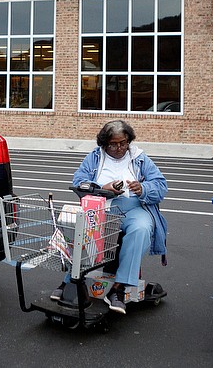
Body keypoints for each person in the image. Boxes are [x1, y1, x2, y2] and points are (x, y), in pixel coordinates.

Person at [51, 119, 168, 314]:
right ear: (104, 144)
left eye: (123, 143)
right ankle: (71, 281)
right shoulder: (95, 158)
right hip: (102, 207)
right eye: (113, 144)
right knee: (83, 228)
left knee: (141, 228)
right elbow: (79, 181)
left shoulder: (139, 158)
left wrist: (143, 188)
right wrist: (102, 188)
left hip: (133, 208)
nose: (119, 148)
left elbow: (161, 186)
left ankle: (119, 288)